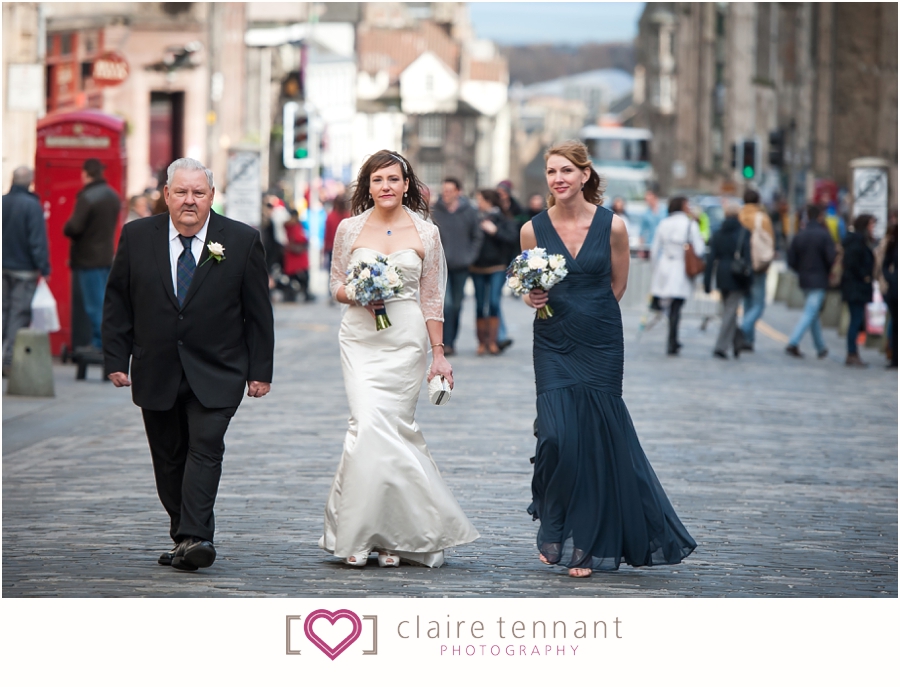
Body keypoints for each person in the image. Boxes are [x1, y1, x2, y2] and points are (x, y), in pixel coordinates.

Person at [522, 140, 696, 577]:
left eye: (566, 171)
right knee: (558, 437)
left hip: (600, 341)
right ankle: (554, 516)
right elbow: (528, 284)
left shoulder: (613, 226)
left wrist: (590, 314)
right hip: (554, 341)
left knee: (593, 439)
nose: (558, 179)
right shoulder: (532, 229)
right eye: (551, 172)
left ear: (585, 175)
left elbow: (617, 285)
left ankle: (584, 542)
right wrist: (533, 297)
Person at [102, 158, 274, 571]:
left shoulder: (242, 239)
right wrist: (115, 358)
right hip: (156, 367)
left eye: (199, 193)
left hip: (218, 369)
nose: (190, 201)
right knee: (168, 455)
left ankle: (197, 537)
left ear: (212, 197)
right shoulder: (136, 236)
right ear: (166, 195)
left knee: (205, 447)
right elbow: (118, 302)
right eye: (181, 192)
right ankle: (184, 534)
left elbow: (258, 313)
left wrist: (259, 372)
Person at [323, 150, 479, 568]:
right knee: (366, 424)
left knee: (393, 429)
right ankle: (357, 533)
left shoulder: (427, 233)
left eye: (393, 179)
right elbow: (335, 282)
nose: (386, 186)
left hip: (405, 340)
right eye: (377, 180)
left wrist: (439, 355)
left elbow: (431, 299)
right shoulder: (349, 228)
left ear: (407, 184)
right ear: (368, 187)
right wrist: (356, 292)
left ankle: (393, 536)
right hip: (359, 338)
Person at [63, 158, 121, 350]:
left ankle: (100, 342)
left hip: (87, 257)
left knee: (93, 304)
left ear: (86, 173)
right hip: (106, 255)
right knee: (103, 301)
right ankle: (106, 340)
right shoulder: (112, 196)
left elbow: (74, 226)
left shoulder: (87, 197)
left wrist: (67, 228)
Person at [2, 166, 51, 375]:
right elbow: (37, 241)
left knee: (3, 312)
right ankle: (9, 360)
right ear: (29, 181)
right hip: (24, 271)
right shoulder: (32, 206)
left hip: (3, 267)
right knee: (18, 315)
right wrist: (44, 266)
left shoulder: (2, 202)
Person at [431, 177, 482, 355]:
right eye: (444, 191)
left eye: (450, 191)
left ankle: (452, 342)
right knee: (446, 305)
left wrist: (470, 257)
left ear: (458, 192)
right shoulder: (435, 211)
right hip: (440, 266)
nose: (446, 194)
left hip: (461, 265)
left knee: (457, 306)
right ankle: (443, 343)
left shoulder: (469, 211)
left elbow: (477, 235)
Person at [650, 197, 706, 355]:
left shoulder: (664, 223)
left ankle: (672, 338)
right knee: (676, 305)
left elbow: (655, 249)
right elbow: (700, 249)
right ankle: (672, 339)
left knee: (669, 304)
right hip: (681, 268)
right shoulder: (690, 224)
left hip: (665, 266)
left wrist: (655, 269)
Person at [470, 189, 519, 355]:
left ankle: (492, 341)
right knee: (478, 304)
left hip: (497, 266)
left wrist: (495, 231)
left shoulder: (503, 218)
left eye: (480, 199)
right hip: (477, 266)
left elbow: (512, 239)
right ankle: (481, 342)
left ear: (489, 201)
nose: (478, 203)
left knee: (493, 302)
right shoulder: (475, 218)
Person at [785, 204, 836, 359]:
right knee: (810, 312)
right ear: (820, 217)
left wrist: (800, 270)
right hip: (819, 278)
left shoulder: (800, 235)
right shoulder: (824, 235)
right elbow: (831, 258)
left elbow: (791, 259)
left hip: (804, 278)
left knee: (812, 312)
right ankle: (793, 342)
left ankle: (821, 347)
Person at [703, 203, 751, 359]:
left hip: (722, 274)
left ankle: (736, 342)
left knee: (729, 311)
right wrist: (749, 279)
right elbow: (748, 258)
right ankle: (721, 346)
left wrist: (707, 281)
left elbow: (711, 259)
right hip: (737, 274)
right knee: (730, 312)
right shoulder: (744, 233)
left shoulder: (718, 233)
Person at [737, 189, 776, 352]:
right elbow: (771, 241)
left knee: (747, 302)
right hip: (758, 266)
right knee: (758, 304)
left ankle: (748, 340)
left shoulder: (739, 216)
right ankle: (743, 330)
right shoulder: (762, 218)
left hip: (742, 265)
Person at [841, 214, 876, 367]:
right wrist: (865, 276)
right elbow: (854, 264)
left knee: (856, 319)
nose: (873, 228)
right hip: (856, 287)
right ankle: (852, 352)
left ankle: (853, 352)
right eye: (871, 225)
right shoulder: (857, 242)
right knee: (855, 320)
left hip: (854, 286)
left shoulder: (856, 241)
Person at [283, 210, 314, 302]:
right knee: (301, 276)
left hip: (294, 255)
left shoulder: (289, 226)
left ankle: (294, 294)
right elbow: (299, 238)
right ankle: (303, 293)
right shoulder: (294, 226)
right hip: (297, 254)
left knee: (294, 277)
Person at [881, 223, 898, 369]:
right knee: (896, 324)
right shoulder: (894, 241)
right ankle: (895, 359)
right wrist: (891, 278)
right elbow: (885, 264)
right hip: (895, 290)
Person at [638, 186, 665, 255]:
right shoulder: (646, 214)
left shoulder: (665, 210)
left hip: (664, 245)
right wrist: (641, 248)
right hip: (650, 244)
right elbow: (642, 232)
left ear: (654, 196)